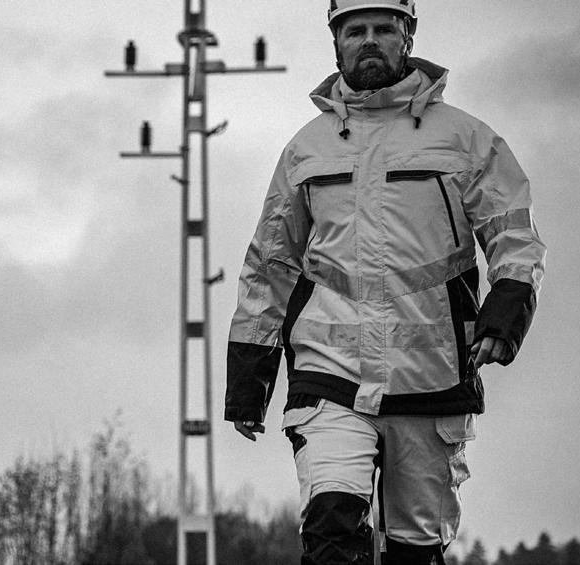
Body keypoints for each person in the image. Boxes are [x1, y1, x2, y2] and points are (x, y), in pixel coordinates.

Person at [224, 1, 546, 563]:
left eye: (383, 29)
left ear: (408, 37)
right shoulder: (305, 149)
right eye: (355, 30)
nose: (369, 40)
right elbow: (270, 264)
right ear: (336, 43)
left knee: (414, 551)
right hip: (329, 374)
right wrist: (250, 380)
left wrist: (506, 312)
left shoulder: (467, 140)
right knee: (331, 528)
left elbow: (514, 234)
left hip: (432, 378)